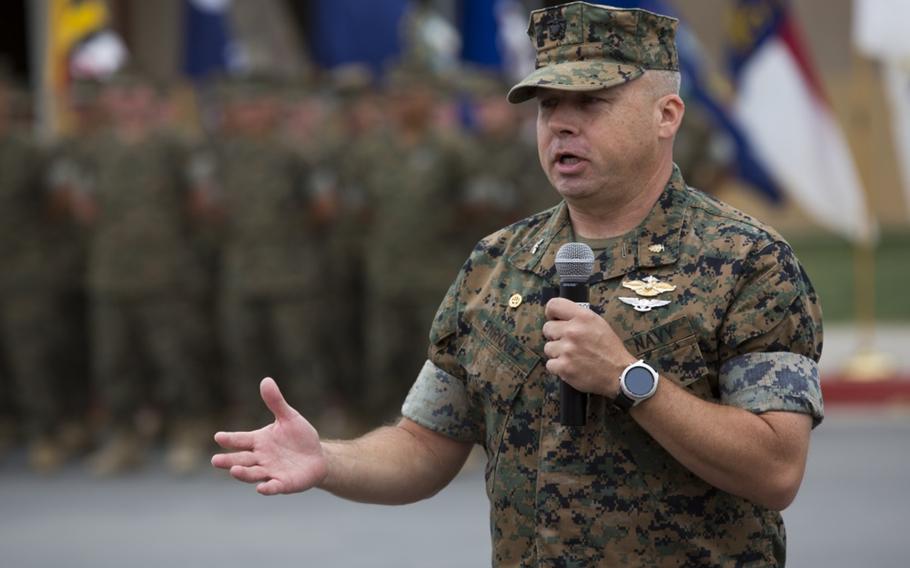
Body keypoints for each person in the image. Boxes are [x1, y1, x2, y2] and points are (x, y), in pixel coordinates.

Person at [212, 3, 823, 566]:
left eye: (592, 103)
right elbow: (424, 447)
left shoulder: (747, 261)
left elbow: (776, 470)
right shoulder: (497, 263)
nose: (561, 125)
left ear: (666, 115)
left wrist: (630, 380)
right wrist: (328, 462)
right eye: (547, 106)